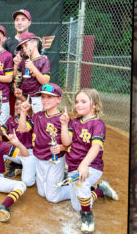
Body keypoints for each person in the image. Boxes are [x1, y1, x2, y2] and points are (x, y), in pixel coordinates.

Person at [60, 88, 119, 233]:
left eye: (83, 102)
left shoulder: (98, 124)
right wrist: (64, 124)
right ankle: (101, 190)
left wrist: (84, 164)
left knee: (81, 183)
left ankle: (87, 216)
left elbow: (96, 146)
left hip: (92, 166)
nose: (78, 105)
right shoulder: (74, 122)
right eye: (76, 102)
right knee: (77, 205)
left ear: (95, 105)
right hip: (75, 167)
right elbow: (66, 142)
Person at [18, 83, 70, 203]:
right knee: (42, 193)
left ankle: (80, 190)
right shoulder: (38, 116)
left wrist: (61, 146)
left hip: (55, 161)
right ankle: (61, 179)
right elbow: (22, 129)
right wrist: (23, 112)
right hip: (39, 158)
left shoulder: (63, 118)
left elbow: (67, 143)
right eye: (43, 97)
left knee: (52, 197)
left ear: (59, 99)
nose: (45, 100)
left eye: (49, 97)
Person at [1, 97, 36, 186]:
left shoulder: (32, 119)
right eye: (17, 104)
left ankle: (30, 167)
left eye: (22, 104)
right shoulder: (11, 120)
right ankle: (15, 165)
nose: (19, 106)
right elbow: (0, 131)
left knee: (28, 182)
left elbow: (22, 128)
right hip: (15, 151)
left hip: (29, 153)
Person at [14, 32, 50, 113]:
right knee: (22, 121)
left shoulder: (44, 60)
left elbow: (45, 82)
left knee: (36, 122)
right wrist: (16, 65)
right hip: (23, 96)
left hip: (37, 98)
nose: (24, 49)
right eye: (22, 47)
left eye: (26, 45)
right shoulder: (23, 60)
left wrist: (32, 68)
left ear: (34, 43)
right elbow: (16, 79)